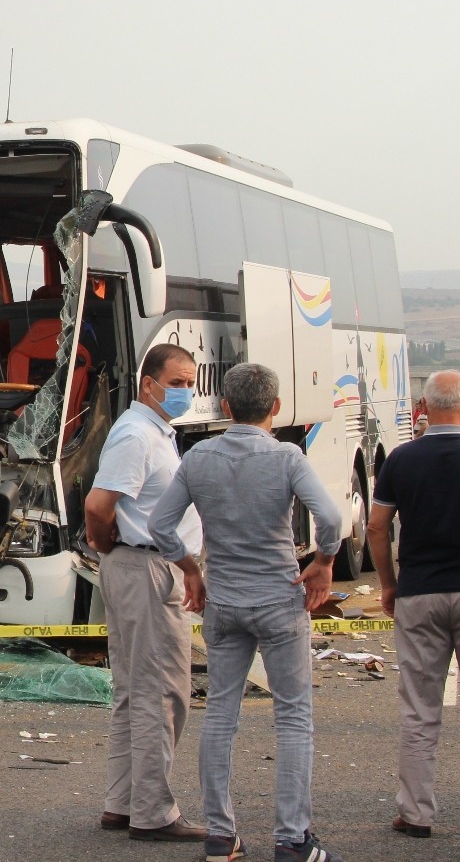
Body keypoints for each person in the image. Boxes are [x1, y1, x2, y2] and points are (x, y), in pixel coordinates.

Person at [150, 362, 344, 862]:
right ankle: (292, 839)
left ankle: (220, 835)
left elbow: (160, 525)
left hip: (224, 601)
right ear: (275, 408)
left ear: (226, 407)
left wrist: (191, 571)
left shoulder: (198, 459)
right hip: (279, 600)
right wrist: (322, 562)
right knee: (294, 716)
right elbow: (330, 516)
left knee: (220, 714)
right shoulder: (287, 457)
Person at [83, 342, 205, 842]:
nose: (186, 391)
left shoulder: (157, 433)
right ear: (148, 385)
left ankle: (124, 801)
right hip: (146, 568)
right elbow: (98, 504)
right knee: (164, 694)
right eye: (176, 383)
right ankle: (153, 812)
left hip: (147, 565)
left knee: (136, 692)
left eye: (190, 382)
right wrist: (106, 541)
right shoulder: (137, 434)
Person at [367, 369, 460, 840]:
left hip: (420, 592)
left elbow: (377, 528)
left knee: (420, 709)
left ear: (423, 406)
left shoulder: (402, 459)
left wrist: (388, 584)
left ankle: (416, 812)